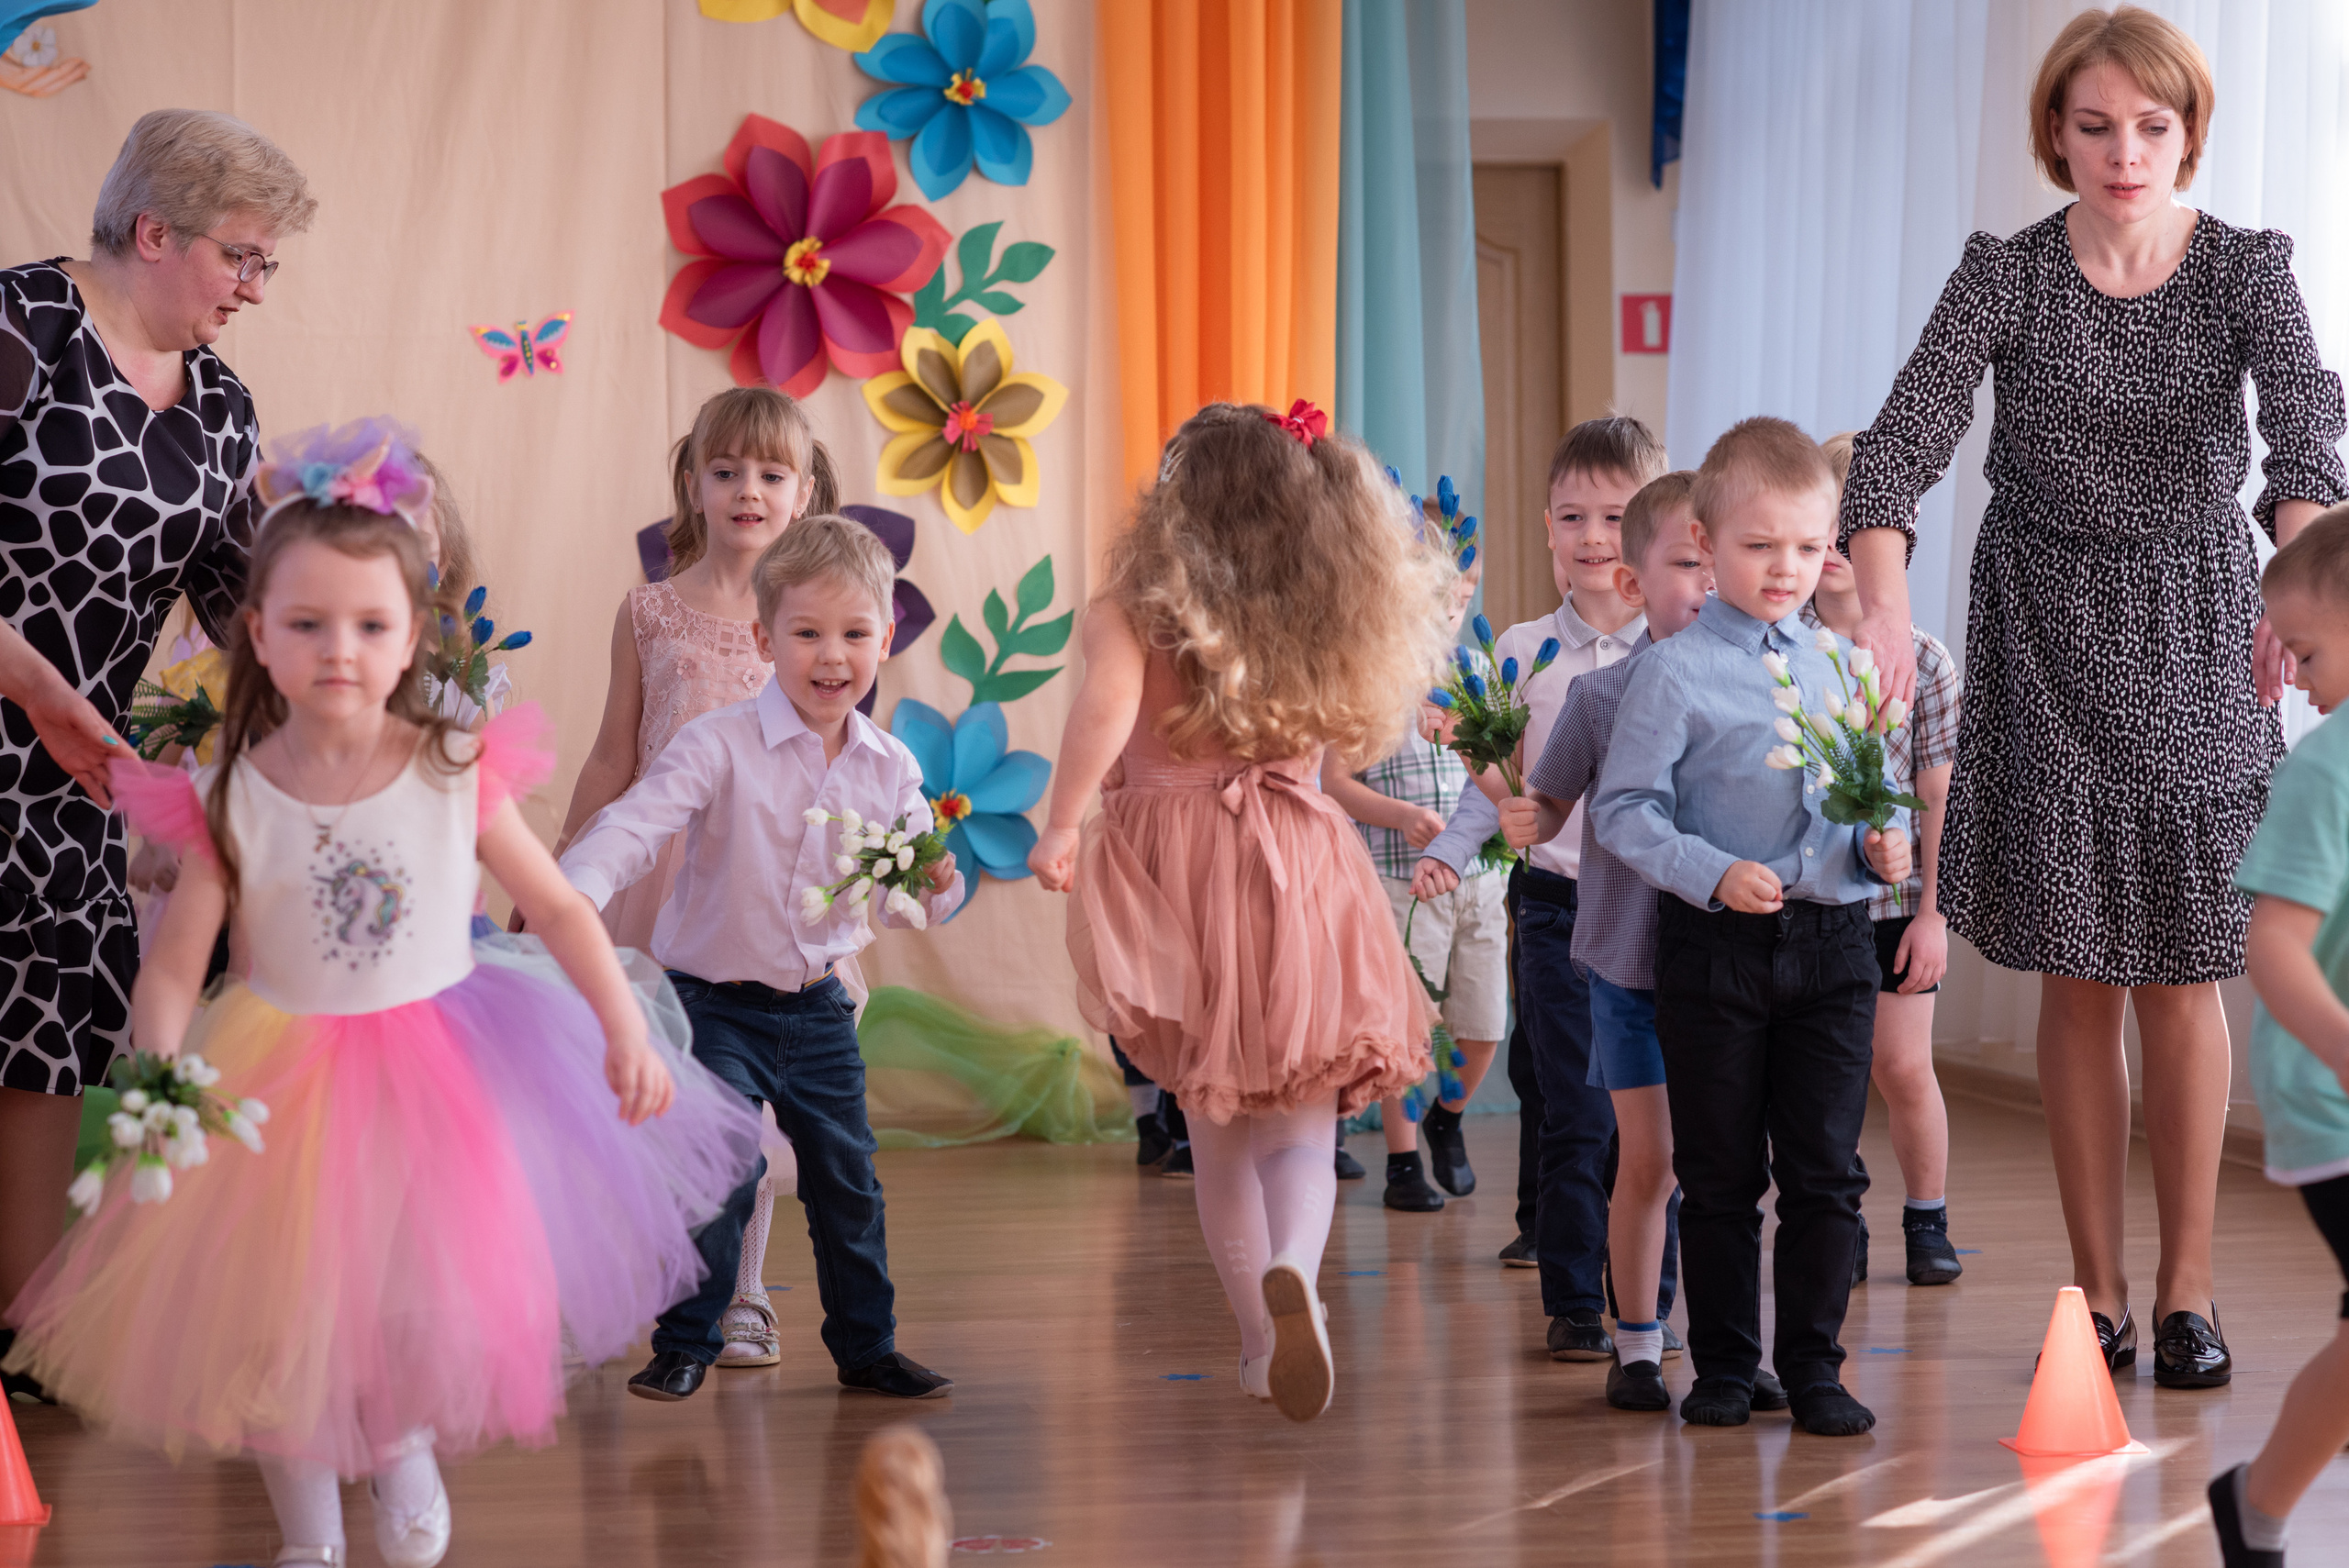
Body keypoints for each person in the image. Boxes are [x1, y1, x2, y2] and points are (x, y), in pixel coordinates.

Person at [0, 422, 760, 1568]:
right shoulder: (228, 795)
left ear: (414, 634)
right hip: (274, 1076)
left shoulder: (457, 768)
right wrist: (161, 1071)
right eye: (306, 623)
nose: (338, 650)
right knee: (279, 1323)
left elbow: (555, 908)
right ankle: (309, 1545)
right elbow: (169, 966)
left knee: (402, 1308)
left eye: (369, 624)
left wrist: (619, 1026)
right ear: (258, 630)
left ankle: (402, 1454)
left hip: (440, 1070)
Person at [1840, 6, 2348, 1384]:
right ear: (2053, 133)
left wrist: (2294, 606)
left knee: (2186, 974)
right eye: (2094, 125)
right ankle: (2098, 1292)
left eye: (2153, 125)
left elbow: (2308, 440)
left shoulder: (2249, 268)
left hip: (2202, 624)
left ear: (2189, 133)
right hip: (2043, 634)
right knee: (2078, 976)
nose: (2125, 152)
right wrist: (1880, 606)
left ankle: (2188, 1291)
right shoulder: (2003, 276)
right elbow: (1893, 457)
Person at [1028, 402, 1447, 1423]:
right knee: (1301, 1126)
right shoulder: (1317, 605)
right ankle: (1296, 1270)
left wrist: (1062, 820)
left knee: (1215, 1133)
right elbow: (1343, 747)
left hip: (1182, 875)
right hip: (1302, 867)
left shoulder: (1130, 604)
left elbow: (1103, 712)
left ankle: (1263, 1346)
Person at [0, 108, 314, 1403]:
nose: (253, 288)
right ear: (153, 231)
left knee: (42, 1043)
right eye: (242, 257)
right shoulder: (20, 330)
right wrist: (30, 679)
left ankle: (19, 1344)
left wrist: (383, 682)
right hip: (32, 717)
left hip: (69, 780)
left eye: (267, 267)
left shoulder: (224, 405)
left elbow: (254, 607)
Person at [561, 514, 963, 1407]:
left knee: (847, 1181)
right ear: (763, 637)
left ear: (885, 637)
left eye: (854, 633)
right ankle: (684, 1341)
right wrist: (571, 890)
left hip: (819, 1007)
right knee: (725, 1163)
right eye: (807, 632)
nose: (832, 656)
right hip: (716, 1002)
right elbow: (639, 822)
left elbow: (911, 895)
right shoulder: (717, 742)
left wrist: (938, 881)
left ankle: (868, 1347)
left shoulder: (890, 766)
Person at [1591, 417, 1911, 1438]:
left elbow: (1878, 797)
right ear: (1706, 536)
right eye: (1759, 545)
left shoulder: (1847, 668)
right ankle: (1726, 1364)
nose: (1787, 569)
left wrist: (1887, 842)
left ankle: (1814, 1365)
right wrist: (1709, 871)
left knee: (1826, 1171)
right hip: (1714, 949)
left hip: (1832, 947)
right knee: (1721, 1169)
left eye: (1809, 547)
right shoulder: (1671, 672)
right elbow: (1622, 810)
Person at [552, 385, 836, 1369]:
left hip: (761, 886)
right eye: (726, 472)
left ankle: (746, 1291)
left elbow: (837, 759)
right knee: (637, 1089)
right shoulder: (650, 611)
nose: (747, 490)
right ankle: (630, 1279)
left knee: (745, 1100)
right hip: (651, 882)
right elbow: (610, 757)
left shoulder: (816, 619)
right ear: (693, 483)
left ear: (803, 494)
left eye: (769, 474)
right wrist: (559, 880)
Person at [1416, 417, 1664, 1359]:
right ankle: (1571, 1298)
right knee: (1574, 1106)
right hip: (1557, 911)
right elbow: (1503, 787)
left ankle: (1646, 1297)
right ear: (1548, 528)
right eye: (1572, 516)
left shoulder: (1673, 648)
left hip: (1656, 912)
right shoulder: (1519, 650)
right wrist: (1452, 844)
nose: (1594, 536)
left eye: (1614, 514)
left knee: (1654, 1123)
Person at [1524, 470, 1728, 1412]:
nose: (1705, 583)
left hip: (1733, 966)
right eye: (1685, 564)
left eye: (1712, 561)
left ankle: (1734, 1343)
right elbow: (1549, 801)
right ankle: (1635, 1341)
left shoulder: (1769, 690)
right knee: (1646, 1158)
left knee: (1721, 1162)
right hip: (1630, 963)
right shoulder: (1599, 698)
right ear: (1638, 583)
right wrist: (1512, 808)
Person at [2207, 507, 2349, 1568]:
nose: (2292, 677)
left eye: (2305, 651)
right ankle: (2252, 1503)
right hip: (2331, 1101)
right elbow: (2274, 950)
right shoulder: (2325, 772)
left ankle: (2252, 1504)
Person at [1811, 432, 1964, 1287]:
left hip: (1897, 903)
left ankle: (1927, 1215)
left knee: (1902, 1065)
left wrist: (1934, 911)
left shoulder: (1927, 661)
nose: (1836, 547)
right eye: (1821, 526)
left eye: (1854, 526)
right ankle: (1842, 1217)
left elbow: (1938, 793)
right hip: (1813, 900)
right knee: (1829, 1075)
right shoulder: (1782, 651)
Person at [1322, 543, 1506, 1213]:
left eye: (1466, 586)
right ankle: (1403, 1160)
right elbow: (1334, 781)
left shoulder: (1480, 669)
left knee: (1483, 1024)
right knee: (1404, 1025)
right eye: (1439, 587)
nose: (1455, 600)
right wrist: (1400, 816)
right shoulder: (1364, 672)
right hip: (1398, 881)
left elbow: (1504, 770)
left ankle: (1446, 1118)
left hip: (1478, 879)